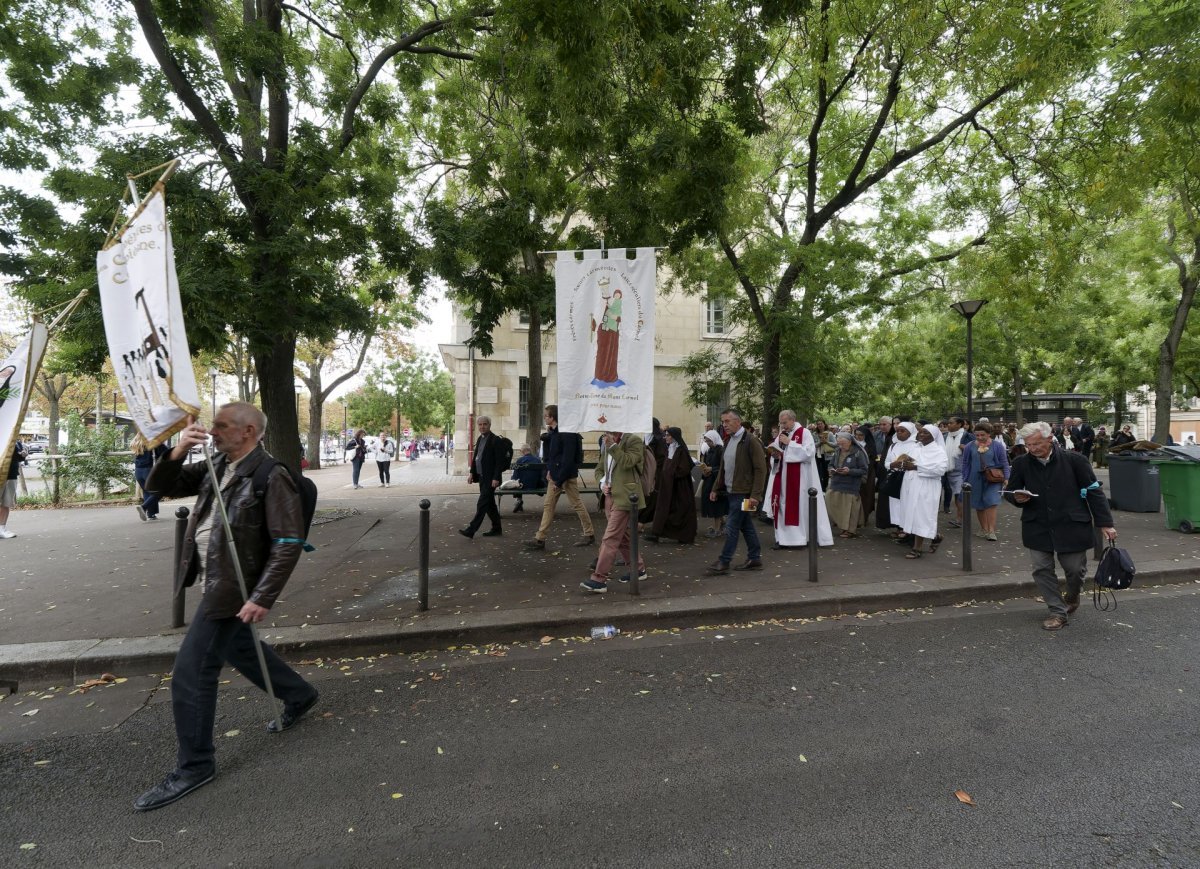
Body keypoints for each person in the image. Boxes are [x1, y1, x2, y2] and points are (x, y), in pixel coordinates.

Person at [134, 403, 319, 811]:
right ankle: (299, 694)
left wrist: (261, 597)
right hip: (214, 578)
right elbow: (161, 487)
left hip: (233, 588)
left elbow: (288, 543)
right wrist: (178, 449)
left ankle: (195, 764)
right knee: (239, 647)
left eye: (221, 425)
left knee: (190, 674)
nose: (211, 431)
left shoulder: (271, 476)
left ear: (248, 430)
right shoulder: (219, 464)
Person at [1004, 421, 1117, 631]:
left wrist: (1106, 523)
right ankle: (1057, 611)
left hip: (1071, 523)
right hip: (1037, 524)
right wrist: (1017, 498)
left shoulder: (1075, 460)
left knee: (1075, 570)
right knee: (1041, 568)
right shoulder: (1021, 463)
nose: (1034, 449)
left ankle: (1072, 596)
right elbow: (1012, 491)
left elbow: (1094, 492)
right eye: (1029, 445)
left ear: (1049, 439)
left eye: (1037, 443)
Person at [581, 430, 646, 592]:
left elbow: (628, 462)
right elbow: (599, 470)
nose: (606, 430)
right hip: (609, 496)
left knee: (610, 537)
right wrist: (602, 483)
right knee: (623, 536)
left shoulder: (634, 440)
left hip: (626, 496)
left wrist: (613, 446)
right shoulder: (605, 442)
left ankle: (599, 578)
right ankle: (638, 569)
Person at [706, 408, 768, 575]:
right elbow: (724, 468)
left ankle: (724, 560)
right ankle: (754, 558)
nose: (724, 425)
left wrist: (756, 495)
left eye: (727, 421)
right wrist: (716, 488)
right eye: (723, 421)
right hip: (732, 492)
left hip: (744, 494)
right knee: (745, 525)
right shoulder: (728, 441)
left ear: (738, 422)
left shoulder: (750, 441)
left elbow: (761, 469)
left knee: (732, 526)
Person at [525, 405, 594, 550]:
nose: (544, 418)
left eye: (546, 416)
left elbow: (568, 459)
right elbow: (553, 455)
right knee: (548, 505)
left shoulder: (567, 433)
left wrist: (559, 480)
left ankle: (589, 534)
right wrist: (550, 471)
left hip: (565, 476)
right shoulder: (555, 432)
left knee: (576, 504)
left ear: (552, 417)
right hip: (556, 475)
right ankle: (540, 538)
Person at [766, 409, 833, 549]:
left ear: (792, 420)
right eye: (781, 423)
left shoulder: (804, 433)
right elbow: (779, 454)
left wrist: (790, 442)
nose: (783, 426)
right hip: (782, 477)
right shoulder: (781, 434)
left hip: (800, 479)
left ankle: (799, 539)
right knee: (781, 506)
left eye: (784, 423)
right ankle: (782, 539)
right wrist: (775, 456)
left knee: (799, 507)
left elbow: (809, 453)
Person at [896, 424, 947, 558]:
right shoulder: (916, 448)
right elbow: (910, 464)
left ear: (933, 436)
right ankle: (935, 536)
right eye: (921, 432)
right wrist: (904, 463)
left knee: (922, 515)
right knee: (913, 515)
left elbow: (940, 470)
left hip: (927, 487)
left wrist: (917, 467)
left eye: (926, 433)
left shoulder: (938, 451)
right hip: (911, 486)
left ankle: (917, 548)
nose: (921, 435)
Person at [647, 426, 697, 544]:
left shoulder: (681, 450)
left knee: (679, 511)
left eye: (668, 435)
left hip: (679, 488)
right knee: (663, 509)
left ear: (674, 437)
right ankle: (656, 534)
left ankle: (684, 536)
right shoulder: (670, 449)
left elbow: (684, 469)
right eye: (665, 435)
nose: (666, 437)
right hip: (667, 486)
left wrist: (670, 474)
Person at [960, 422, 1010, 542]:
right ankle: (984, 529)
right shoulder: (969, 446)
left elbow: (1004, 462)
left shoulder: (997, 446)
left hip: (993, 478)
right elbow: (965, 463)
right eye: (977, 435)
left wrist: (1006, 477)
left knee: (991, 502)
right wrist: (965, 478)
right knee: (979, 504)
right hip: (974, 478)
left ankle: (991, 531)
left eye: (982, 435)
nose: (980, 437)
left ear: (989, 434)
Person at [460, 416, 503, 539]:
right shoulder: (480, 439)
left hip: (491, 479)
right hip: (482, 477)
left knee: (482, 503)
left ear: (489, 425)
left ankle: (471, 530)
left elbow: (499, 462)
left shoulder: (495, 440)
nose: (482, 426)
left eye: (485, 424)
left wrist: (496, 478)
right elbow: (476, 458)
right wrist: (472, 473)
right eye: (480, 424)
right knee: (490, 505)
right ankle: (497, 528)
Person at [826, 431, 868, 538]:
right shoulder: (837, 451)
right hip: (836, 482)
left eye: (843, 443)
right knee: (831, 503)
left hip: (851, 484)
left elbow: (864, 470)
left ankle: (850, 530)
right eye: (839, 443)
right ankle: (841, 525)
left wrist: (849, 471)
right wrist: (831, 470)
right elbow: (830, 464)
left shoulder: (858, 452)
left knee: (850, 509)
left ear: (850, 442)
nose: (840, 446)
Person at [883, 422, 918, 538]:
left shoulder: (917, 445)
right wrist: (893, 464)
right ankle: (899, 527)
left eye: (902, 431)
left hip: (909, 477)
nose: (899, 433)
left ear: (910, 432)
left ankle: (908, 529)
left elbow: (918, 462)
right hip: (895, 476)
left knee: (907, 502)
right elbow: (886, 463)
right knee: (895, 503)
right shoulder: (894, 445)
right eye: (897, 431)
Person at [698, 428, 727, 538]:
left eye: (709, 441)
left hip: (717, 481)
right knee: (712, 504)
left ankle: (717, 529)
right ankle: (721, 524)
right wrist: (705, 472)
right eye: (706, 441)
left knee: (717, 505)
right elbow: (707, 464)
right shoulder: (709, 451)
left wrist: (712, 469)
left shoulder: (720, 450)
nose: (708, 443)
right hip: (710, 480)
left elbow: (723, 467)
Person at [942, 417, 968, 528]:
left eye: (951, 423)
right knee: (956, 496)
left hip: (962, 471)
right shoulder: (945, 436)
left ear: (959, 424)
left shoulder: (967, 436)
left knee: (959, 495)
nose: (948, 425)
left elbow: (974, 450)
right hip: (947, 471)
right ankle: (961, 517)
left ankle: (959, 519)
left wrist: (965, 448)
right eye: (948, 423)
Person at [134, 441, 171, 521]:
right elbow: (166, 452)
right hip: (148, 470)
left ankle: (151, 514)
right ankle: (143, 507)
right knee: (159, 491)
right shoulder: (153, 441)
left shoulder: (136, 442)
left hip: (138, 471)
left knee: (147, 491)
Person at [0, 437, 26, 539]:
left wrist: (22, 455)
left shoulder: (16, 442)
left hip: (11, 475)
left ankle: (2, 529)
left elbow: (18, 457)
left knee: (6, 503)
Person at [509, 443, 543, 513]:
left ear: (522, 451)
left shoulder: (520, 460)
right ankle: (519, 503)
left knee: (515, 480)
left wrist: (512, 479)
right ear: (529, 450)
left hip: (522, 486)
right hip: (534, 485)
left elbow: (515, 476)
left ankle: (519, 500)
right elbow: (541, 475)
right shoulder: (537, 460)